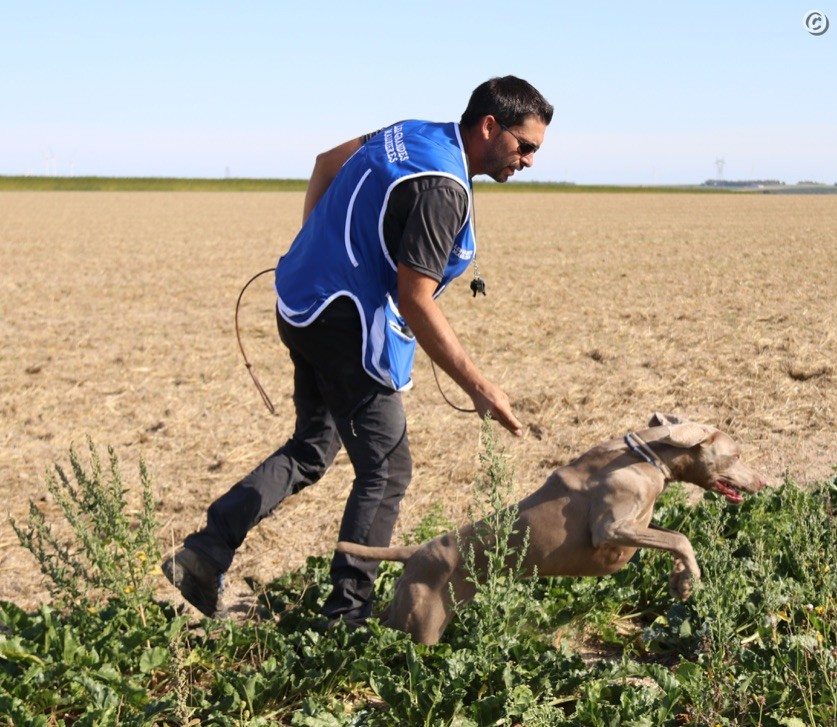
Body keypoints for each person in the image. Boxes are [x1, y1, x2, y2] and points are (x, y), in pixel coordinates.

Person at [163, 76, 554, 627]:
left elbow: (325, 163)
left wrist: (316, 253)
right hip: (342, 326)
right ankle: (345, 617)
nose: (530, 160)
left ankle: (204, 551)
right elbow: (415, 300)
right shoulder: (443, 188)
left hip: (301, 301)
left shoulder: (412, 132)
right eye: (526, 146)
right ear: (490, 127)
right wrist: (480, 386)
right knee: (388, 467)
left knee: (313, 446)